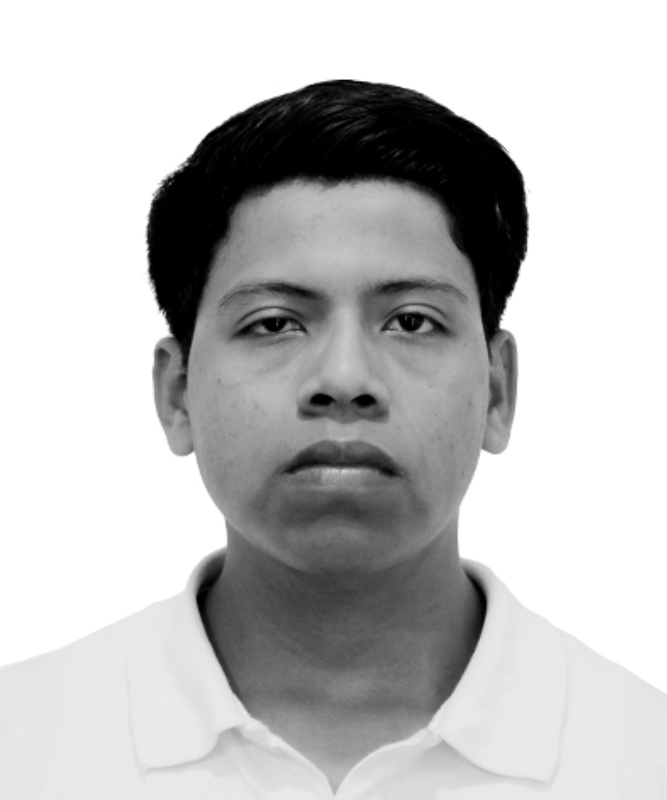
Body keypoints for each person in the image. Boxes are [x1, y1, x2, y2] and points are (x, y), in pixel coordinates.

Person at [1, 79, 665, 799]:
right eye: (274, 323)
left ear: (497, 391)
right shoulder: (21, 745)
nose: (345, 379)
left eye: (411, 321)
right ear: (177, 393)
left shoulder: (643, 759)